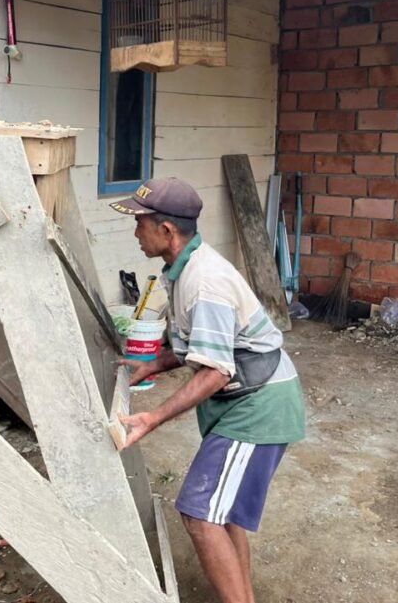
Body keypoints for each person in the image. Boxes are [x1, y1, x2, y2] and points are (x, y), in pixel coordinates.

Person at [110, 177, 305, 603]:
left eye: (140, 223)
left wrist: (153, 417)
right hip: (248, 398)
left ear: (167, 231)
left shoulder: (204, 282)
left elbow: (215, 371)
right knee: (223, 511)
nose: (135, 232)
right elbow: (204, 343)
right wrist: (154, 363)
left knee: (199, 512)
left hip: (258, 407)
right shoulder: (182, 268)